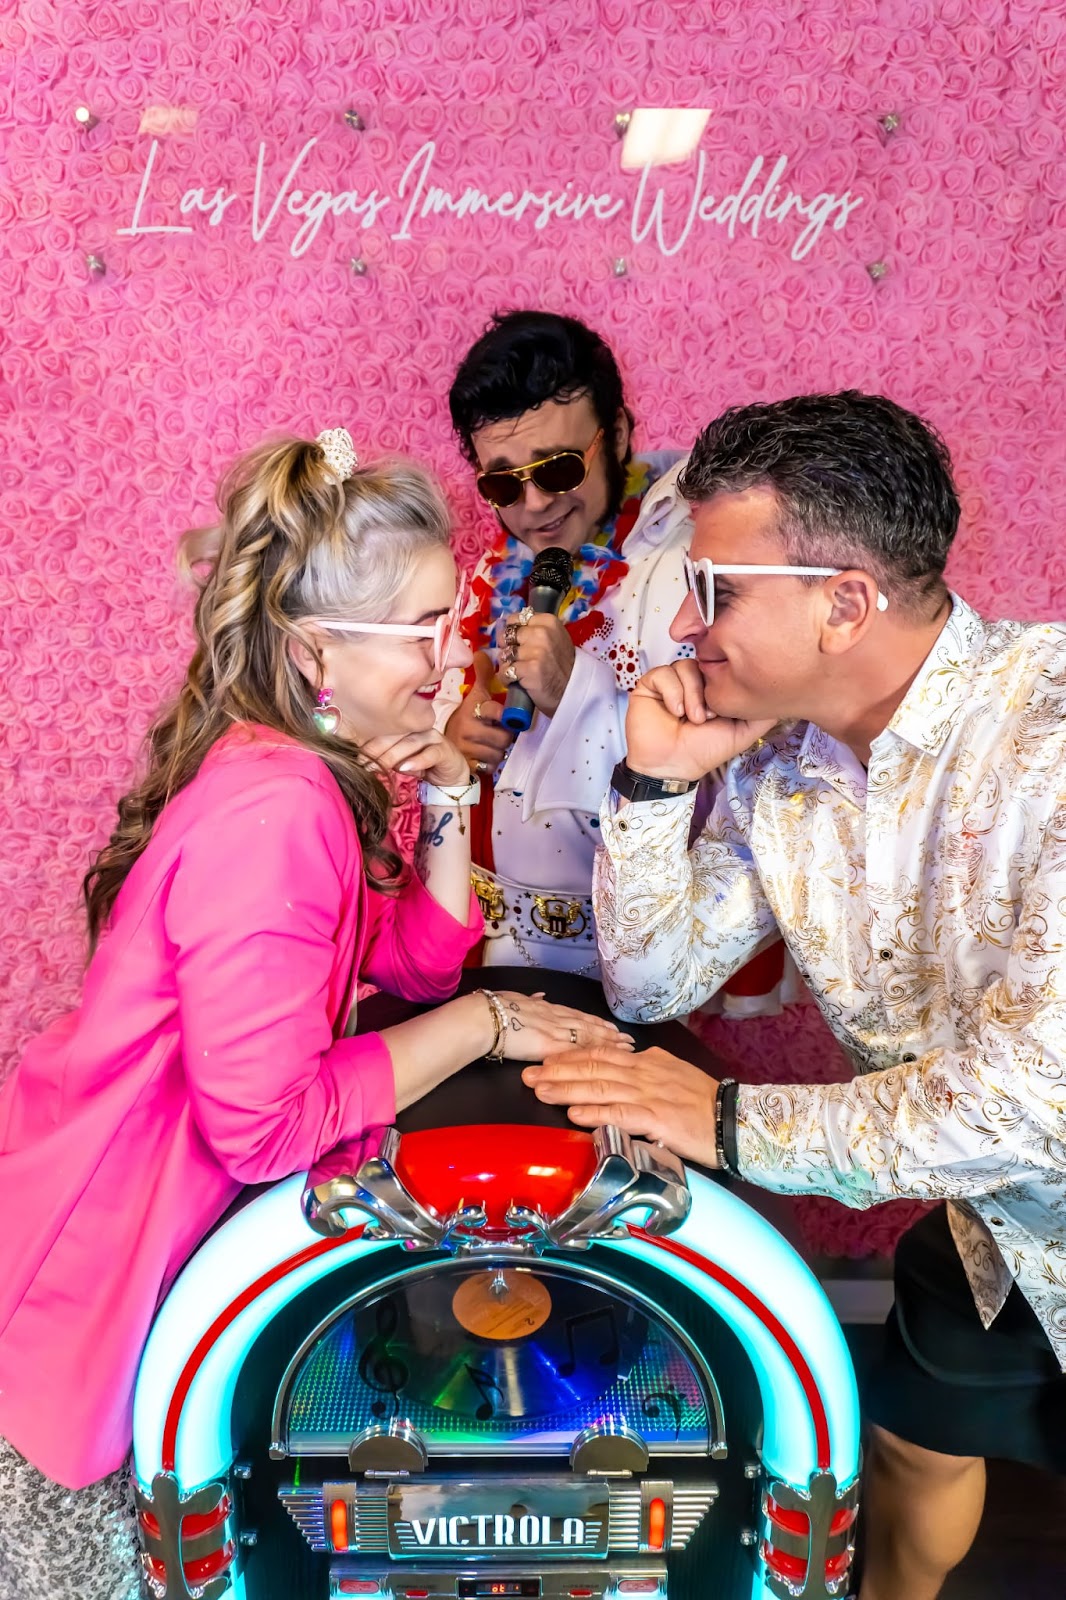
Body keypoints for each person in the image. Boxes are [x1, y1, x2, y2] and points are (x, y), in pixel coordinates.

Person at [0, 428, 627, 1600]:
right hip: (78, 1283)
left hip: (131, 1253)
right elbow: (263, 1126)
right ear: (311, 647)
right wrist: (489, 1024)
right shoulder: (277, 808)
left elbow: (418, 964)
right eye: (425, 628)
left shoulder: (306, 773)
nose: (457, 652)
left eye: (455, 617)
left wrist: (447, 789)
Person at [522, 392, 1066, 1600]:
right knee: (912, 1444)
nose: (681, 624)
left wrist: (726, 1120)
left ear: (844, 603)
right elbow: (653, 978)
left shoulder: (1050, 729)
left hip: (1026, 1161)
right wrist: (654, 787)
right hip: (990, 1225)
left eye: (713, 589)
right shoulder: (782, 758)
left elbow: (1036, 1100)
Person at [436, 309, 692, 976]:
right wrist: (456, 730)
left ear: (618, 434)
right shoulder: (496, 570)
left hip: (626, 959)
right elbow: (440, 699)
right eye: (502, 482)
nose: (532, 504)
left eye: (556, 469)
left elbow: (712, 774)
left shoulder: (684, 568)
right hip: (485, 943)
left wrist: (572, 691)